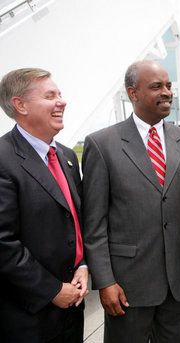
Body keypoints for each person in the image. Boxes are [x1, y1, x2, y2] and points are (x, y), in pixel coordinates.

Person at [81, 60, 180, 343]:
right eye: (157, 86)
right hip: (126, 286)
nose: (167, 92)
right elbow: (94, 224)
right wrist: (106, 282)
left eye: (169, 86)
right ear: (133, 93)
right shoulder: (102, 144)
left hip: (176, 284)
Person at [0, 68, 88, 342]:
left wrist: (83, 265)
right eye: (50, 96)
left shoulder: (64, 155)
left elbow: (74, 221)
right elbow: (3, 243)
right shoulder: (4, 159)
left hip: (72, 306)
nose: (61, 102)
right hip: (27, 315)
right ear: (20, 105)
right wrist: (51, 290)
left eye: (60, 95)